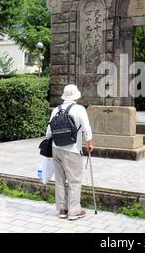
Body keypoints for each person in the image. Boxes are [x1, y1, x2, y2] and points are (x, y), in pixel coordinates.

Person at [46, 84, 94, 220]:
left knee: (60, 180)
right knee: (74, 180)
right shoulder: (79, 109)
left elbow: (48, 131)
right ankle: (73, 212)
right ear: (76, 96)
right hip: (72, 150)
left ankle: (62, 209)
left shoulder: (56, 109)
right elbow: (86, 128)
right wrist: (89, 142)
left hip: (56, 148)